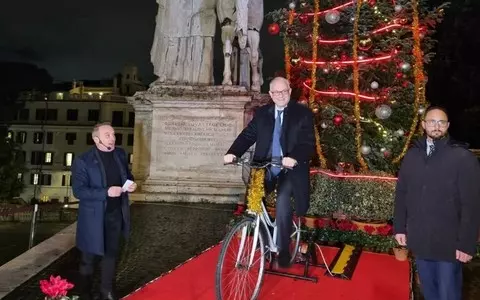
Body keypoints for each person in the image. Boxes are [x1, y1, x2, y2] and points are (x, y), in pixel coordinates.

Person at [224, 76, 315, 268]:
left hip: (290, 169)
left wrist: (294, 157)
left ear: (290, 92)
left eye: (284, 91)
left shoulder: (303, 114)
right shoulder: (263, 113)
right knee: (254, 198)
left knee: (283, 199)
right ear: (271, 94)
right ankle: (261, 236)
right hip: (265, 166)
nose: (280, 95)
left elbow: (307, 143)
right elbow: (248, 135)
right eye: (276, 92)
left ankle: (282, 247)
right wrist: (233, 152)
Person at [393, 106, 480, 300]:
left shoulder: (463, 158)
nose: (437, 126)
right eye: (432, 121)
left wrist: (466, 244)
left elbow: (471, 205)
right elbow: (402, 192)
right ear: (424, 125)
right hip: (421, 240)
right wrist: (399, 227)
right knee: (429, 291)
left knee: (448, 293)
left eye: (441, 122)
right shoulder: (412, 156)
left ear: (447, 126)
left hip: (449, 243)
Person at [72, 122, 137, 300]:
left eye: (113, 134)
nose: (113, 138)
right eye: (107, 135)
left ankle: (106, 291)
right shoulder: (83, 160)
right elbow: (78, 191)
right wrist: (105, 192)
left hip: (115, 214)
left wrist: (131, 184)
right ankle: (84, 293)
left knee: (111, 254)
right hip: (93, 217)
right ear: (96, 139)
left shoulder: (120, 154)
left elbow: (127, 175)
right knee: (89, 257)